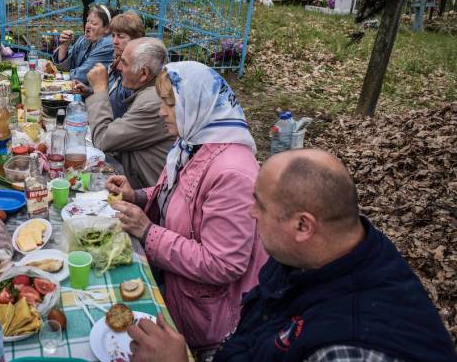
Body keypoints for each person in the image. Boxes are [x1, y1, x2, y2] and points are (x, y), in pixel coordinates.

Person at [126, 149, 457, 362]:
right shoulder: (314, 255)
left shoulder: (351, 349)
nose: (250, 213)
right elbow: (252, 336)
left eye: (259, 205)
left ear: (303, 225)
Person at [107, 61, 267, 354]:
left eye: (170, 103)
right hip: (181, 293)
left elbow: (224, 263)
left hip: (209, 319)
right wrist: (137, 197)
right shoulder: (191, 144)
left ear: (199, 104)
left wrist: (148, 232)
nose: (161, 111)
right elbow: (176, 196)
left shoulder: (233, 172)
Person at [86, 38, 174, 189]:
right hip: (137, 180)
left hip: (149, 197)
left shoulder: (152, 101)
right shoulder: (149, 91)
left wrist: (100, 90)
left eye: (124, 62)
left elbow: (102, 139)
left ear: (143, 73)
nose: (118, 66)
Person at [73, 11, 145, 119]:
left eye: (120, 36)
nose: (114, 41)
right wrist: (89, 91)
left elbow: (119, 108)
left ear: (136, 39)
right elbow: (110, 95)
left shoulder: (135, 71)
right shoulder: (116, 61)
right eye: (113, 35)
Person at [52, 4, 117, 84]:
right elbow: (64, 68)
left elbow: (80, 77)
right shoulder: (83, 40)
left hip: (95, 94)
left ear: (107, 28)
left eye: (93, 23)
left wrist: (56, 76)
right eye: (87, 21)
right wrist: (64, 46)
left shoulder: (108, 44)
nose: (87, 26)